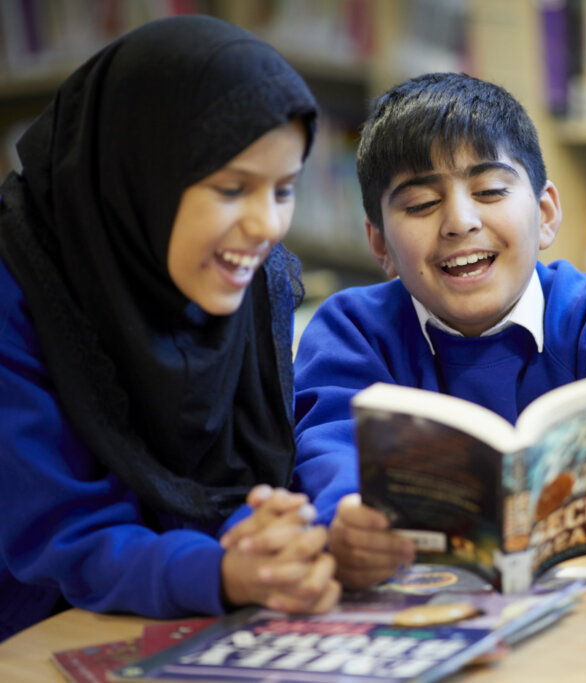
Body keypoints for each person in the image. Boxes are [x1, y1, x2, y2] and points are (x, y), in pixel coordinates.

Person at [290, 72, 586, 589]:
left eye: (490, 190)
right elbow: (328, 447)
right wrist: (348, 520)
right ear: (380, 245)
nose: (460, 222)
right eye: (421, 204)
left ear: (544, 214)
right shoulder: (351, 331)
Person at [0, 15, 340, 642]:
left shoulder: (254, 283)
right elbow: (58, 538)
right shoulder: (17, 288)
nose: (267, 226)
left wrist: (276, 533)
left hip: (196, 619)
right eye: (233, 188)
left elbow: (254, 480)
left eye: (285, 189)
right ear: (143, 171)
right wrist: (226, 573)